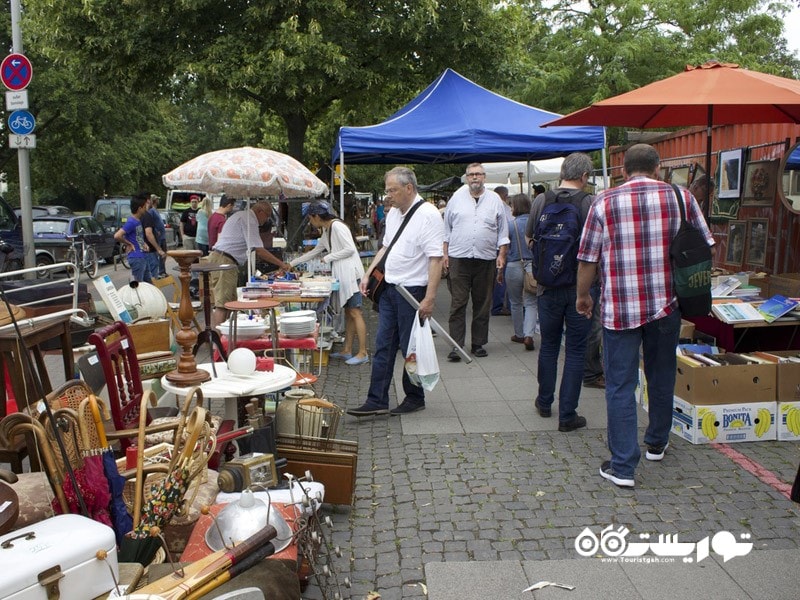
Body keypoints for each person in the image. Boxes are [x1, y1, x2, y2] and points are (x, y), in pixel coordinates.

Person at [576, 144, 714, 488]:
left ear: (624, 170)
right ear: (658, 168)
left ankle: (623, 465)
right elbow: (705, 245)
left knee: (620, 385)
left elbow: (588, 259)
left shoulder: (604, 202)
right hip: (667, 306)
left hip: (620, 308)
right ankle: (657, 441)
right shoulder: (681, 198)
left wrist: (582, 296)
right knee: (662, 374)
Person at [347, 167, 444, 417]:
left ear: (409, 188)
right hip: (391, 287)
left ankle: (414, 396)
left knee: (409, 346)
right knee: (383, 345)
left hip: (413, 290)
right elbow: (386, 247)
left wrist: (430, 298)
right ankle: (377, 398)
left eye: (393, 190)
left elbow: (436, 259)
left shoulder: (429, 215)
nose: (388, 195)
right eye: (387, 189)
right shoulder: (393, 214)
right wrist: (368, 273)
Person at [525, 152, 595, 433]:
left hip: (547, 287)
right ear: (584, 177)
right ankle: (568, 414)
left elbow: (530, 238)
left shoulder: (542, 200)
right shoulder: (589, 203)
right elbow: (595, 247)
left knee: (550, 346)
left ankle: (544, 402)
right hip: (580, 287)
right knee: (576, 350)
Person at [289, 201, 368, 366]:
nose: (310, 222)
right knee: (349, 312)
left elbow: (350, 249)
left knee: (355, 312)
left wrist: (329, 257)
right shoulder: (327, 230)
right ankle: (347, 350)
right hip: (344, 274)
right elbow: (315, 251)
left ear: (316, 216)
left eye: (310, 218)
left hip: (351, 274)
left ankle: (362, 352)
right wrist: (291, 264)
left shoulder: (337, 227)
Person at [443, 163, 509, 360]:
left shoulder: (495, 200)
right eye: (471, 174)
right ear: (466, 177)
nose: (474, 178)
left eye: (478, 174)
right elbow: (446, 230)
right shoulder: (456, 198)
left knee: (482, 303)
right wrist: (445, 254)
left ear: (484, 177)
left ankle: (478, 343)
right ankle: (456, 345)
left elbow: (503, 232)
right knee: (458, 303)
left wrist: (502, 255)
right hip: (459, 258)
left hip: (485, 258)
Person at [206, 201, 292, 329]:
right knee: (223, 304)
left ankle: (225, 336)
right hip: (224, 260)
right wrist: (281, 264)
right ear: (260, 211)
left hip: (224, 258)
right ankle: (217, 341)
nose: (266, 219)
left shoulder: (241, 216)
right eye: (267, 215)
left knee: (230, 302)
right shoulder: (249, 219)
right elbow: (258, 249)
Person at [505, 193, 537, 351]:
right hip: (532, 266)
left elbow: (504, 248)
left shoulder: (511, 225)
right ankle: (529, 334)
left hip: (513, 265)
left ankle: (519, 334)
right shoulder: (536, 223)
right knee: (531, 303)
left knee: (515, 302)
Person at [114, 193, 151, 283]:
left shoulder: (138, 221)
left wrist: (144, 243)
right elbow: (117, 235)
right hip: (136, 257)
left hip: (142, 256)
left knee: (148, 284)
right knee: (138, 285)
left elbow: (138, 236)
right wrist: (128, 243)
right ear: (139, 208)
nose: (146, 209)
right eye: (144, 207)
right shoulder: (131, 222)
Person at [491, 185, 512, 317]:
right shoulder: (508, 210)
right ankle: (500, 306)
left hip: (491, 247)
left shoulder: (490, 207)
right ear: (505, 196)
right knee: (502, 278)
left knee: (495, 278)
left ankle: (496, 305)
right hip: (504, 248)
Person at [142, 195, 166, 281]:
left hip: (150, 247)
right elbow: (148, 233)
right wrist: (158, 249)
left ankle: (162, 271)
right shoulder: (148, 214)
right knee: (151, 275)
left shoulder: (147, 214)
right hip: (151, 249)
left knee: (149, 272)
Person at [148, 194, 168, 277]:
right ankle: (158, 272)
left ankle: (162, 270)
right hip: (158, 236)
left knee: (164, 253)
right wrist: (155, 230)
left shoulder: (156, 210)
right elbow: (151, 222)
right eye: (157, 199)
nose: (158, 200)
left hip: (162, 236)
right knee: (158, 253)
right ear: (154, 200)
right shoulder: (151, 211)